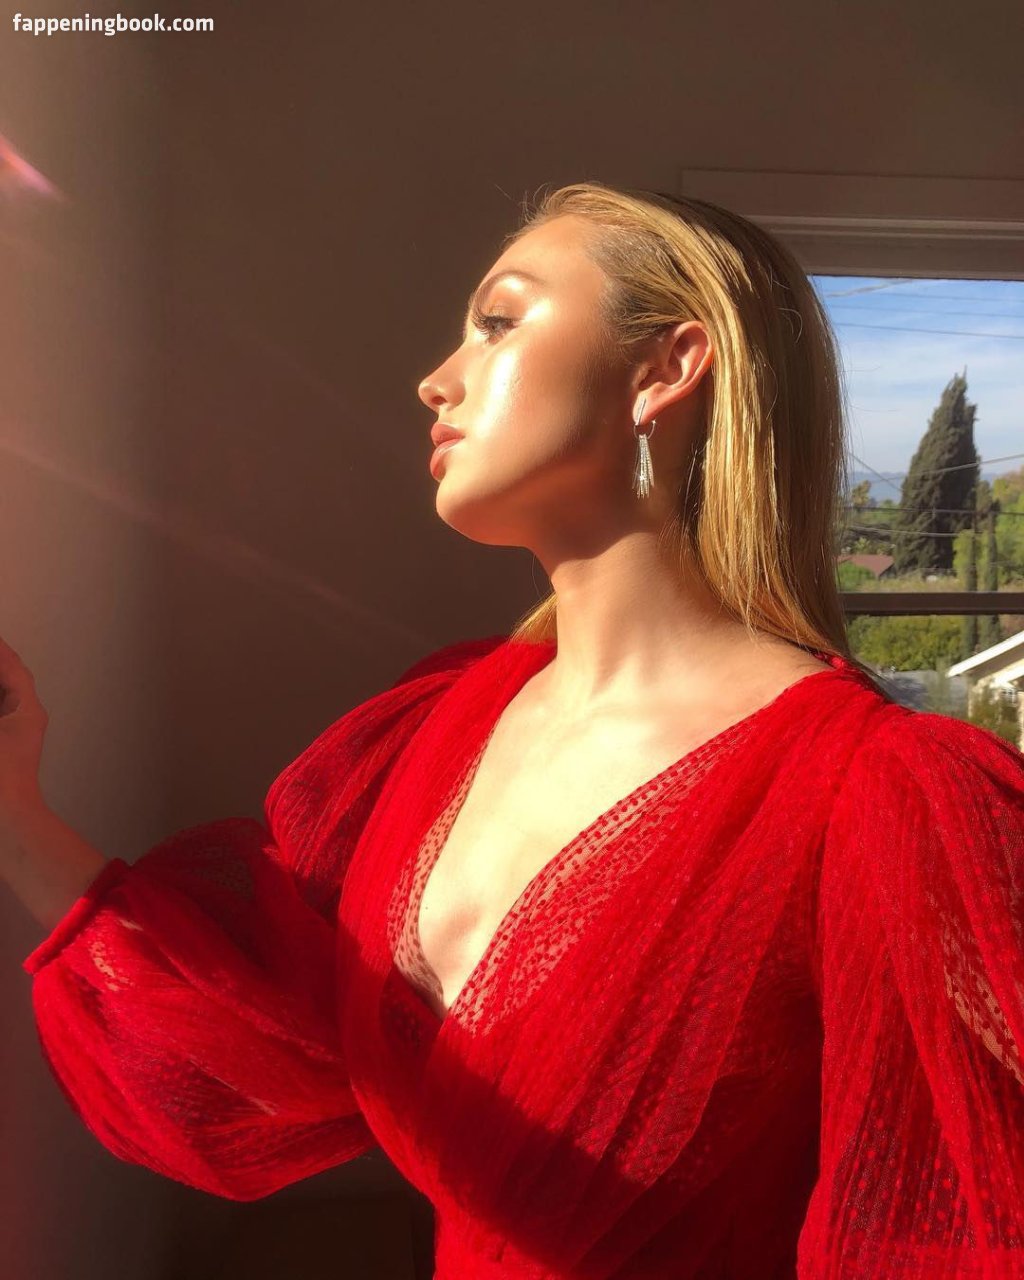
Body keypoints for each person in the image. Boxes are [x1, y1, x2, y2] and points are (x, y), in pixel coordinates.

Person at [3, 179, 1023, 1278]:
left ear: (666, 369)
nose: (435, 379)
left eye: (498, 320)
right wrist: (17, 814)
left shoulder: (880, 795)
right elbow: (266, 1039)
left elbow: (949, 1226)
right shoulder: (435, 727)